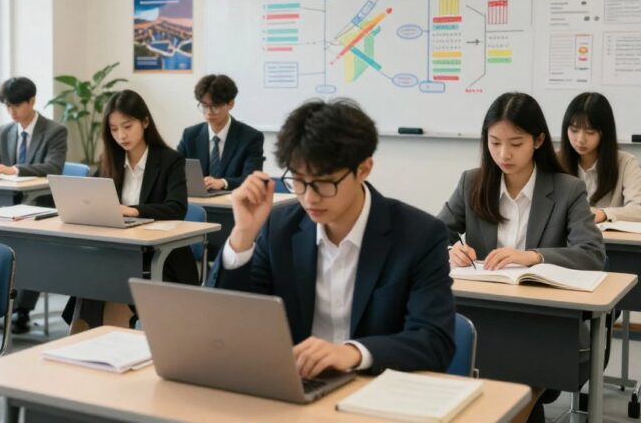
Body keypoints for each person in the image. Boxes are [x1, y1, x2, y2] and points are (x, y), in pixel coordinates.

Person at [209, 98, 455, 376]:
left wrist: (352, 353)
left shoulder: (419, 235)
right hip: (295, 385)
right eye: (298, 181)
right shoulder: (278, 227)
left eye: (325, 183)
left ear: (364, 169)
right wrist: (243, 234)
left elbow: (434, 341)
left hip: (373, 388)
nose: (310, 197)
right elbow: (228, 323)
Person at [440, 92, 605, 423]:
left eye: (515, 143)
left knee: (515, 387)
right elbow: (433, 234)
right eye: (495, 142)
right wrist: (450, 249)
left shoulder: (567, 189)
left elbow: (591, 254)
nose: (504, 154)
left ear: (538, 140)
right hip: (484, 312)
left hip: (544, 321)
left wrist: (531, 257)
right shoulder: (473, 182)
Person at [67, 90, 199, 331]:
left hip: (159, 255)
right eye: (114, 129)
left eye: (127, 126)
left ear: (145, 122)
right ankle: (84, 336)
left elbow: (177, 208)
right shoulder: (110, 160)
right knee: (89, 276)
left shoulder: (171, 160)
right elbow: (94, 199)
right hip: (117, 250)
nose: (121, 135)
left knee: (107, 275)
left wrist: (133, 211)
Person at [0, 77, 68, 333]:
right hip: (7, 205)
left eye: (16, 105)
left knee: (28, 245)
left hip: (43, 205)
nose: (12, 111)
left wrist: (14, 168)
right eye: (7, 106)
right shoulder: (6, 131)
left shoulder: (54, 131)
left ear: (32, 101)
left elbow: (53, 167)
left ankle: (22, 309)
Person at [559, 92, 641, 224]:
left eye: (590, 132)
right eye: (574, 130)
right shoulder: (556, 161)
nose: (580, 139)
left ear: (604, 133)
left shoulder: (626, 163)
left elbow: (638, 209)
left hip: (608, 242)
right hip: (565, 241)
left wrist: (604, 213)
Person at [177, 74, 264, 190]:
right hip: (196, 201)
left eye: (215, 106)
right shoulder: (190, 135)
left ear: (231, 104)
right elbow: (174, 170)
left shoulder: (251, 138)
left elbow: (252, 178)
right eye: (204, 106)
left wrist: (223, 182)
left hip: (232, 203)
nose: (209, 112)